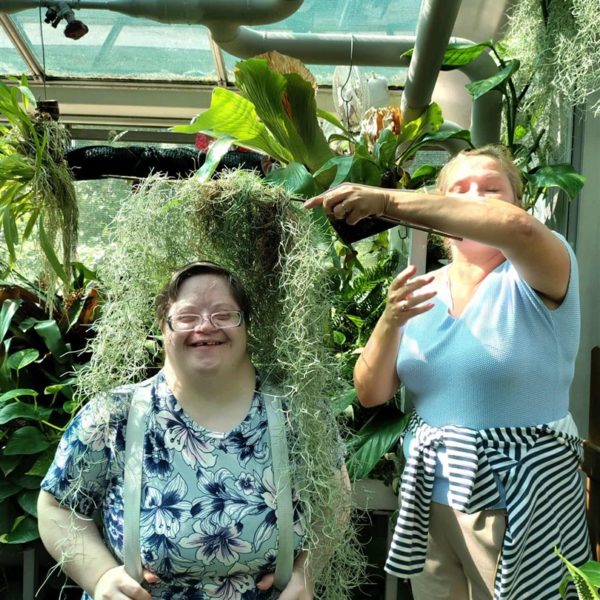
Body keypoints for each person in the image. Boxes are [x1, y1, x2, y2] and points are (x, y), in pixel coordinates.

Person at [305, 145, 591, 600]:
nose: (474, 197)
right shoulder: (421, 289)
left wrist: (386, 200)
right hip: (429, 497)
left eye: (491, 189)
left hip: (520, 497)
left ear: (517, 203)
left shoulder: (542, 272)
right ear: (439, 211)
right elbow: (371, 392)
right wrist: (390, 320)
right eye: (459, 190)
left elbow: (516, 229)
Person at [37, 262, 312, 600]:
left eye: (224, 314)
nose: (205, 326)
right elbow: (57, 506)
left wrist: (307, 571)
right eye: (186, 316)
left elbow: (335, 498)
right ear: (163, 327)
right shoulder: (114, 415)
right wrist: (100, 576)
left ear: (246, 325)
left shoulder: (295, 412)